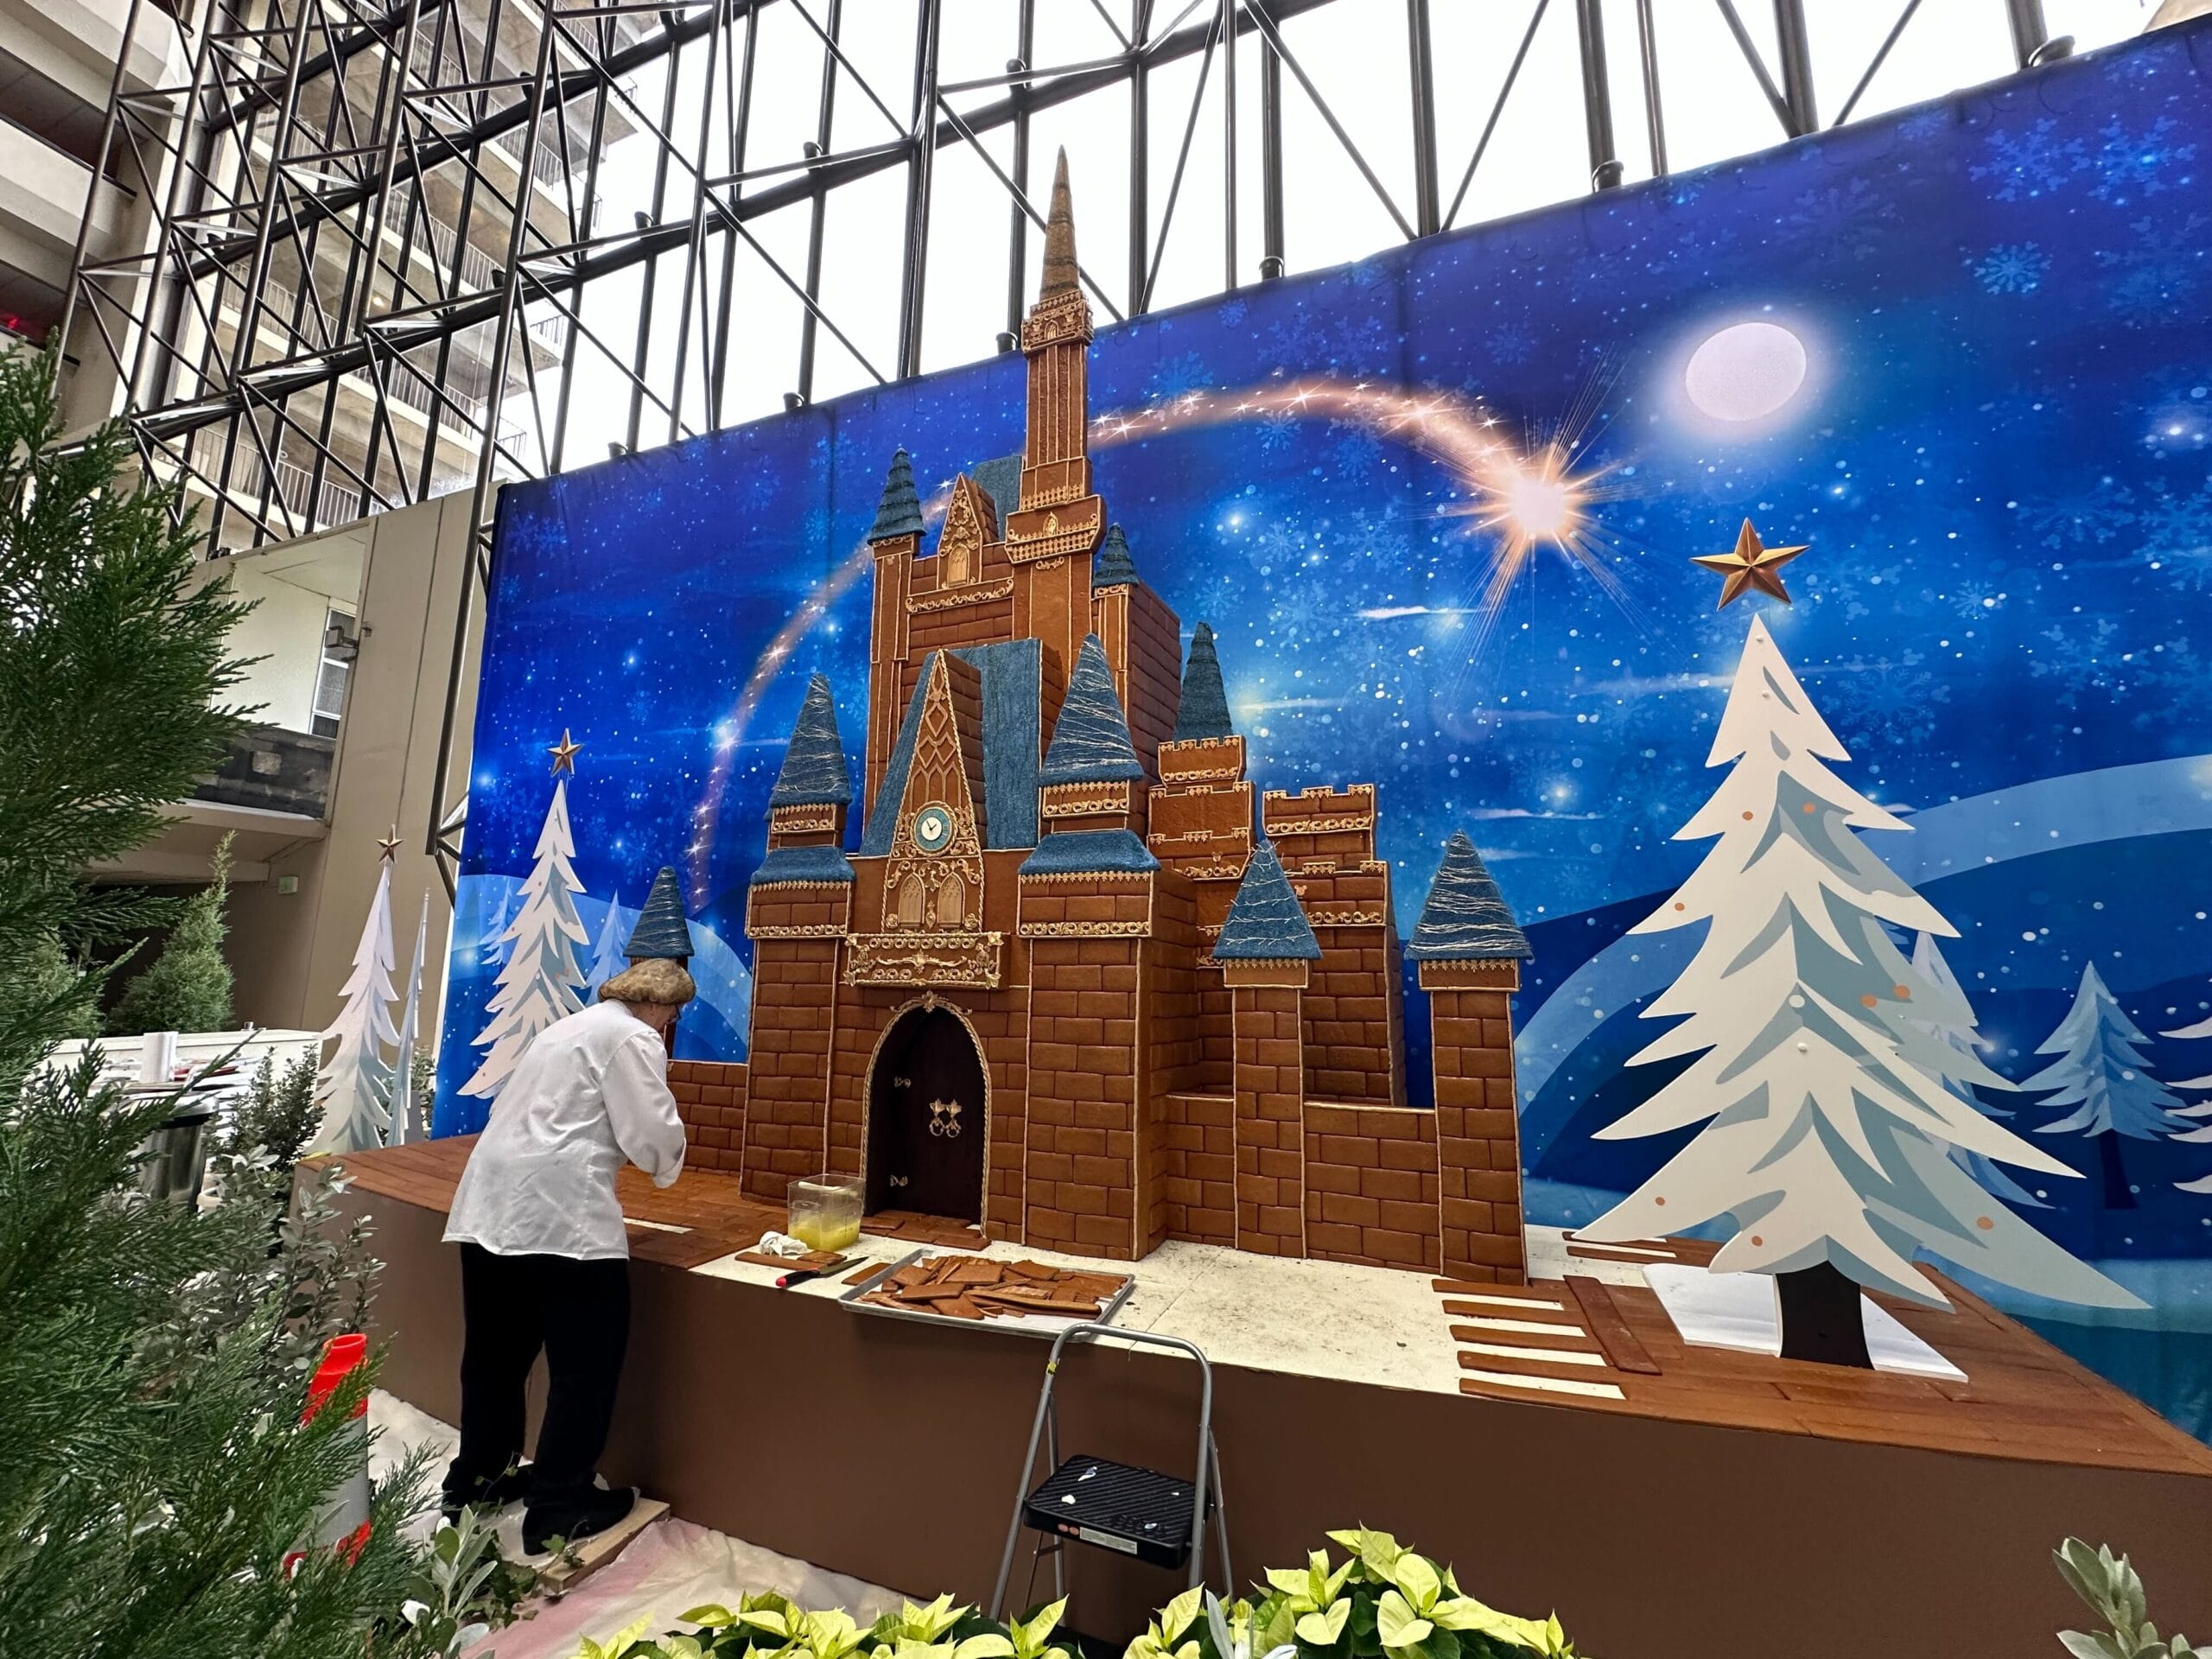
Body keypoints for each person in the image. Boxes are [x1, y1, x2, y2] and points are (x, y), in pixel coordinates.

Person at [441, 953, 692, 1552]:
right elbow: (651, 1135)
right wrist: (668, 1162)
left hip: (488, 1207)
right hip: (561, 1217)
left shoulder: (566, 1028)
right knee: (586, 1366)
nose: (669, 1025)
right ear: (662, 1006)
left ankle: (479, 1482)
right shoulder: (632, 1037)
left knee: (495, 1361)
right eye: (673, 1015)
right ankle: (559, 1503)